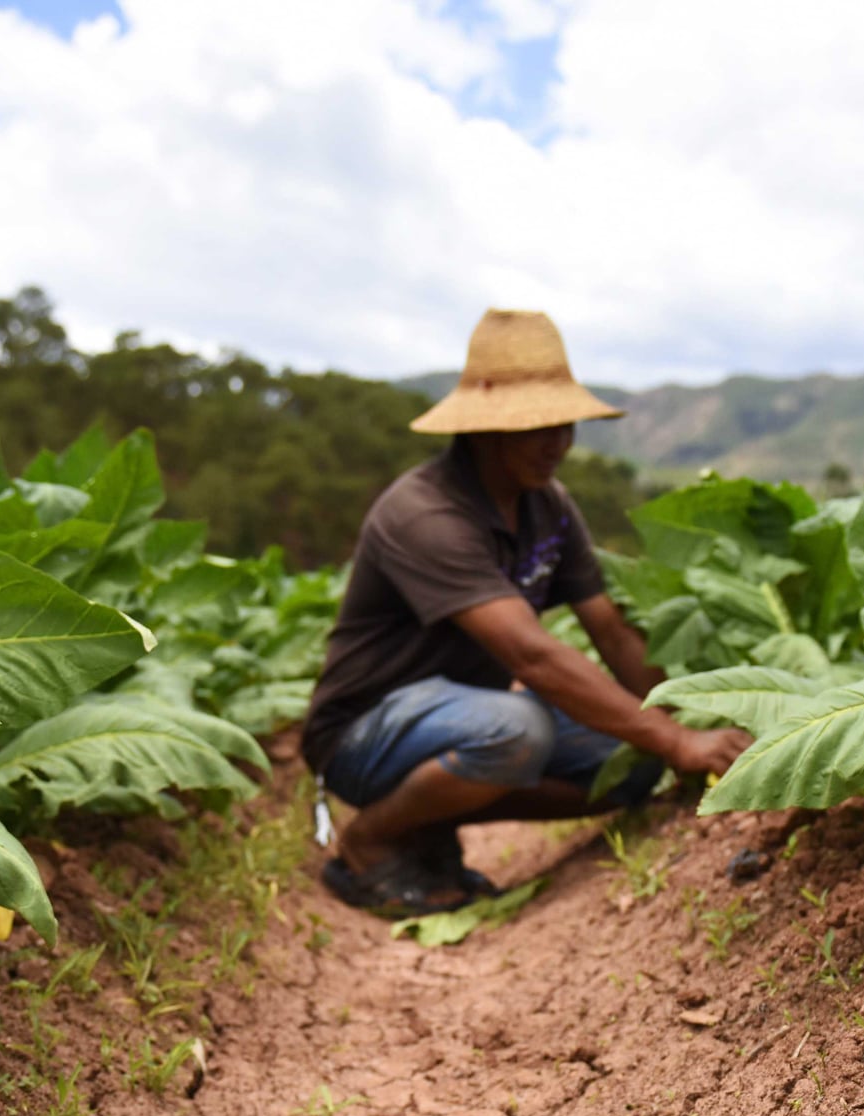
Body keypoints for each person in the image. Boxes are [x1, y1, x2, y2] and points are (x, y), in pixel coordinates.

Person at [300, 308, 752, 917]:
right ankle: (369, 839)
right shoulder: (425, 513)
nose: (558, 443)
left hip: (463, 717)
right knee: (517, 731)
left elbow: (613, 633)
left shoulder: (549, 506)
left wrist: (682, 727)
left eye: (564, 423)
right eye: (538, 426)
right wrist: (675, 739)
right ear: (486, 429)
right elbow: (530, 654)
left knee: (629, 766)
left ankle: (426, 827)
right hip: (363, 734)